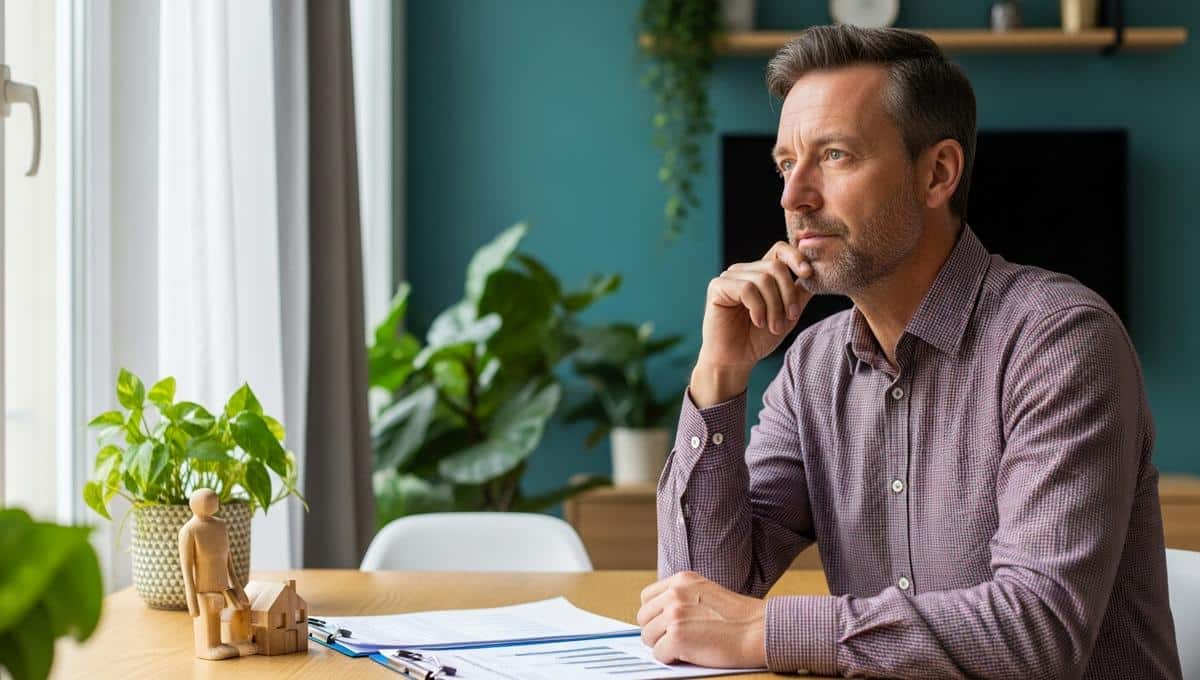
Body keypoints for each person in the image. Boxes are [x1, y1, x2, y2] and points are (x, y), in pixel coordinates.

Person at [637, 24, 1181, 679]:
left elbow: (1039, 632)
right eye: (786, 163)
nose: (793, 197)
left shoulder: (1061, 341)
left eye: (833, 155)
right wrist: (719, 373)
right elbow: (699, 600)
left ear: (938, 173)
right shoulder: (813, 366)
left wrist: (767, 631)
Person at [179, 488, 257, 660]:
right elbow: (187, 566)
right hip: (203, 590)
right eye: (211, 500)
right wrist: (191, 597)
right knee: (208, 618)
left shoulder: (220, 525)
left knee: (238, 612)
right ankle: (209, 647)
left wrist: (237, 586)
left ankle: (233, 642)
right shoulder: (189, 531)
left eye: (215, 500)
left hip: (224, 586)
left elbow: (227, 559)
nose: (216, 503)